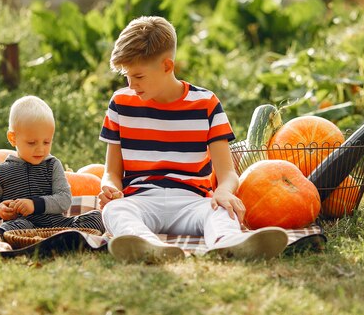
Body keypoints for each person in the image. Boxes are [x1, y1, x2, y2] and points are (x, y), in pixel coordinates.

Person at [98, 16, 288, 262]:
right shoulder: (120, 103)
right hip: (140, 200)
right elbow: (111, 171)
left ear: (167, 66)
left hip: (193, 202)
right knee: (114, 210)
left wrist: (224, 191)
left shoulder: (206, 104)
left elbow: (228, 173)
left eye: (139, 76)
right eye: (127, 76)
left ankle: (229, 244)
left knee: (222, 209)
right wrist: (111, 188)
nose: (131, 84)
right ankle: (146, 245)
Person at [0, 95, 104, 242]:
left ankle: (69, 237)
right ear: (13, 138)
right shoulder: (2, 171)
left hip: (56, 226)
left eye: (46, 142)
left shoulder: (52, 165)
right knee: (10, 227)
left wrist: (35, 204)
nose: (41, 150)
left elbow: (64, 199)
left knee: (97, 217)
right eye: (31, 143)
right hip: (22, 227)